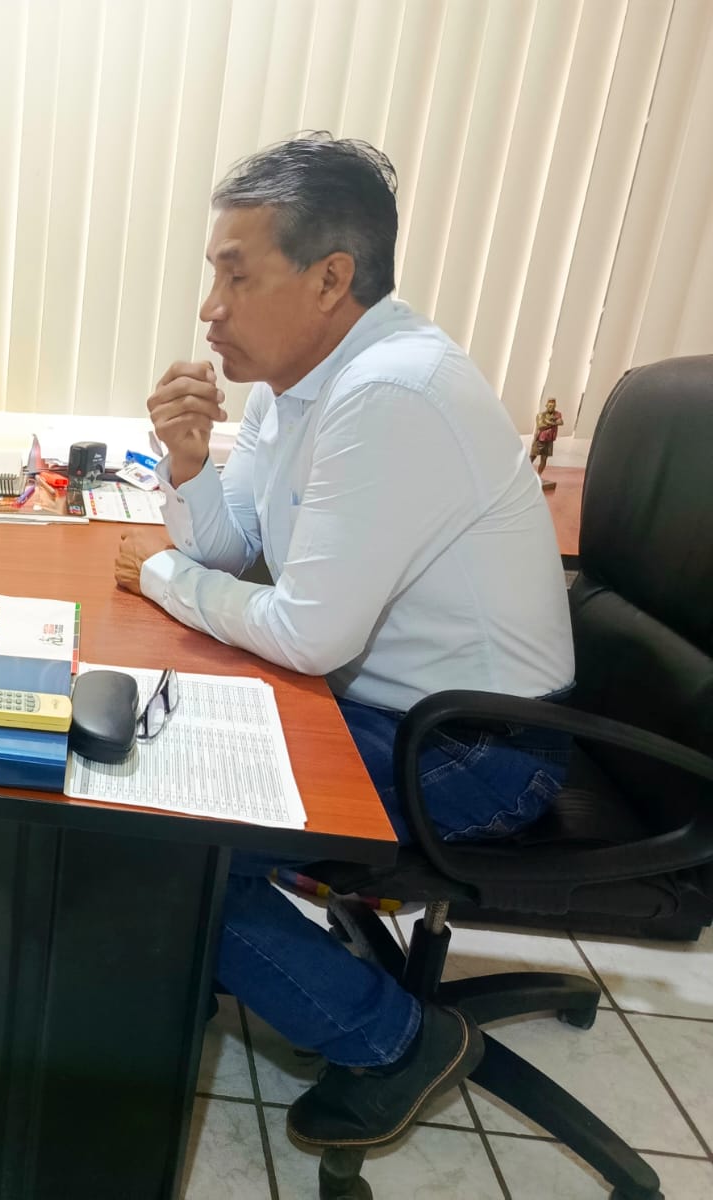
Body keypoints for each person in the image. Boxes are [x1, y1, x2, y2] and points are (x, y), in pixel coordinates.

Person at [111, 135, 573, 1151]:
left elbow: (304, 631)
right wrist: (187, 463)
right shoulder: (301, 384)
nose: (209, 308)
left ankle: (395, 1043)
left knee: (162, 845)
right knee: (149, 770)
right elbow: (235, 550)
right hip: (388, 707)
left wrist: (161, 575)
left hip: (475, 748)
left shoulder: (390, 392)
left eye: (236, 275)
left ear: (330, 278)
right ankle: (217, 961)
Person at [530, 396, 564, 488]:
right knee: (532, 457)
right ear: (546, 405)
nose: (551, 407)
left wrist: (548, 422)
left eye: (553, 406)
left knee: (544, 459)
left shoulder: (557, 414)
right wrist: (553, 423)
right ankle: (524, 473)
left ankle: (539, 475)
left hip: (549, 441)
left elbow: (561, 422)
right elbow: (541, 426)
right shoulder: (541, 415)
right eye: (549, 406)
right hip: (540, 440)